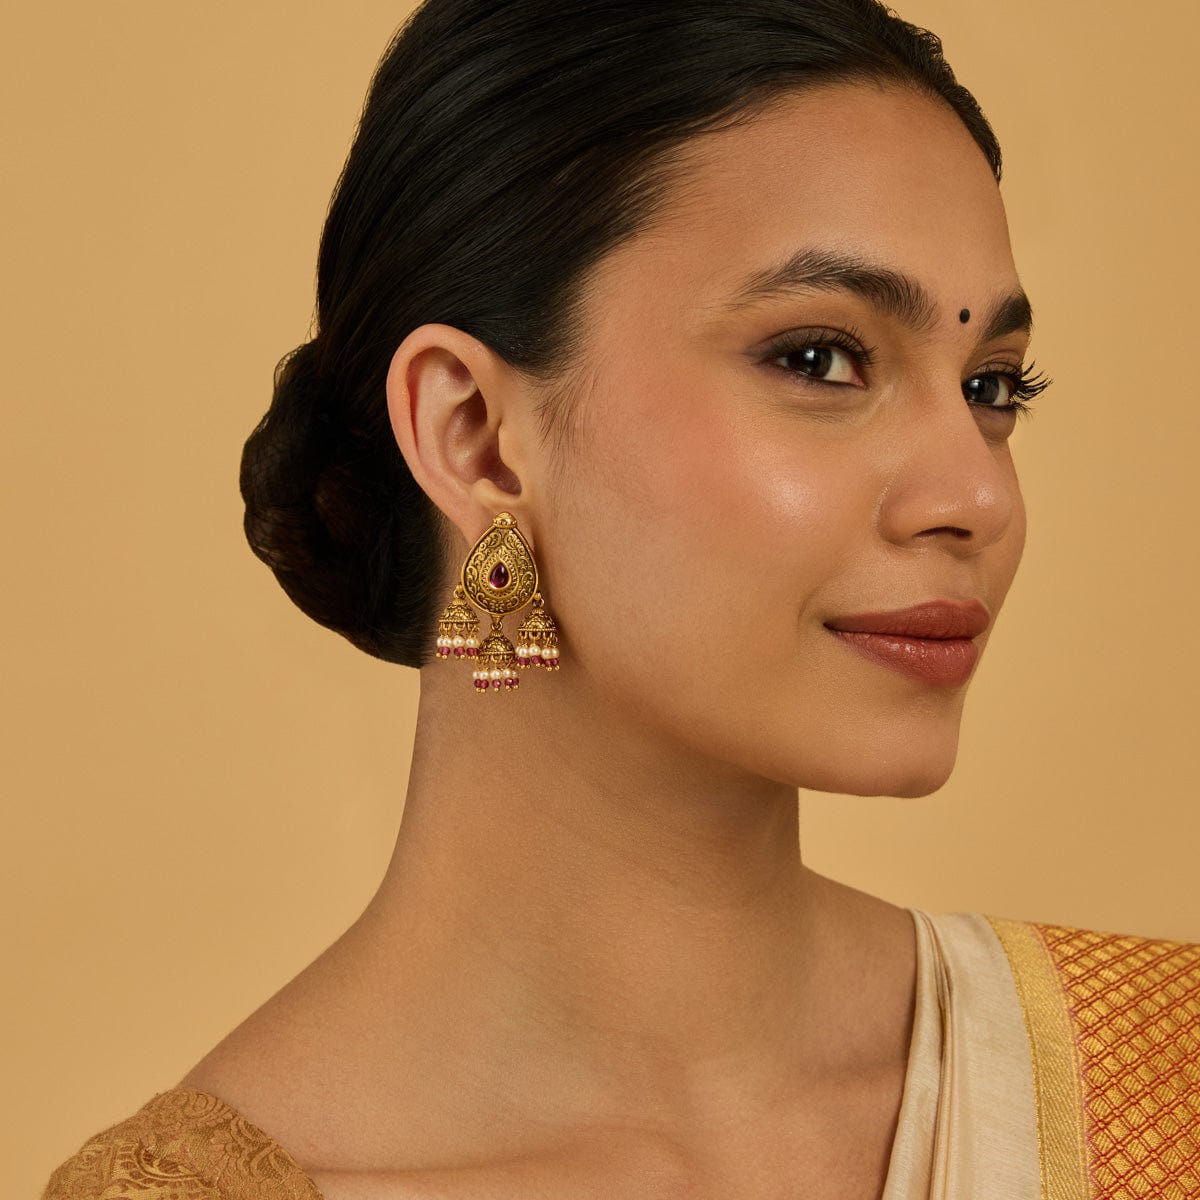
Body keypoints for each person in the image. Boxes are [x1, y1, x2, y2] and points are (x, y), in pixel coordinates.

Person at [42, 1, 1200, 1197]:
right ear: (475, 436)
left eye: (993, 386)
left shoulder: (1158, 1087)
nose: (978, 496)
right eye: (819, 359)